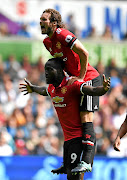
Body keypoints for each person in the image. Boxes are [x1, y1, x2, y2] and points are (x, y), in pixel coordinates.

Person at [19, 57, 110, 180]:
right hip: (68, 139)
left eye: (49, 69)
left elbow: (92, 90)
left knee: (74, 176)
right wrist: (33, 88)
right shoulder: (52, 88)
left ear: (60, 70)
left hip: (78, 138)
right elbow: (44, 91)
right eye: (45, 69)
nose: (46, 73)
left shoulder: (72, 85)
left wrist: (103, 89)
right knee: (71, 175)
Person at [40, 8, 102, 173]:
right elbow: (61, 65)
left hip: (88, 78)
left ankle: (87, 161)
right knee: (72, 121)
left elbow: (84, 53)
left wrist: (81, 77)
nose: (41, 22)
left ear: (54, 23)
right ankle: (69, 162)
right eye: (40, 19)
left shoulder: (62, 34)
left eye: (44, 19)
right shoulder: (47, 42)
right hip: (75, 81)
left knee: (85, 118)